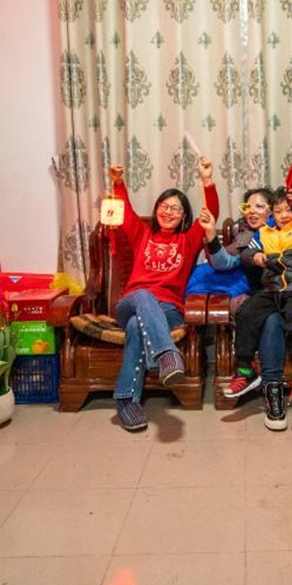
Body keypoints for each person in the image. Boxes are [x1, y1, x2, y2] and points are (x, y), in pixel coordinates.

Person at [108, 157, 218, 431]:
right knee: (143, 296)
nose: (168, 212)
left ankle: (126, 400)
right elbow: (125, 213)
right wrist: (118, 183)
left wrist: (206, 180)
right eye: (164, 206)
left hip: (168, 310)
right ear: (157, 209)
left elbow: (211, 211)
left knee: (136, 326)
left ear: (184, 217)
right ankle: (167, 355)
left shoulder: (188, 240)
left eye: (176, 209)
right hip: (130, 302)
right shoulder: (142, 234)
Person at [205, 187, 292, 428]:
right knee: (257, 314)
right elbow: (236, 257)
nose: (253, 211)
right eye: (248, 207)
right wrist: (215, 239)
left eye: (260, 206)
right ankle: (264, 388)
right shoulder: (260, 234)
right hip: (272, 293)